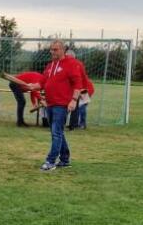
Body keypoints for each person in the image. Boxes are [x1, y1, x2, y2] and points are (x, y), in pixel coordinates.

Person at [28, 40, 84, 170]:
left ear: (62, 50)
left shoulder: (71, 64)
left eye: (55, 49)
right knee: (57, 131)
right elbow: (42, 82)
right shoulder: (50, 65)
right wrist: (32, 86)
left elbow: (77, 84)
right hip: (50, 103)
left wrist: (74, 100)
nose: (52, 52)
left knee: (56, 132)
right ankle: (64, 160)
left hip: (62, 104)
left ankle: (50, 161)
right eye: (51, 49)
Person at [65, 51, 94, 131]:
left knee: (80, 106)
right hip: (78, 88)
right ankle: (74, 125)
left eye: (66, 56)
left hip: (82, 88)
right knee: (76, 107)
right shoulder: (76, 64)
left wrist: (82, 91)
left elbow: (82, 78)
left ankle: (81, 124)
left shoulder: (76, 64)